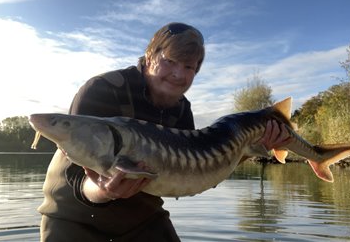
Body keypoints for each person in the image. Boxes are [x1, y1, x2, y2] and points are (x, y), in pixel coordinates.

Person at [38, 22, 291, 242]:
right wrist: (103, 191)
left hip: (141, 219)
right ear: (149, 57)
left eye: (189, 67)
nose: (179, 74)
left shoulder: (183, 111)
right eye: (170, 61)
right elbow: (74, 175)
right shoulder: (103, 89)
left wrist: (247, 148)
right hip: (74, 219)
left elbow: (197, 173)